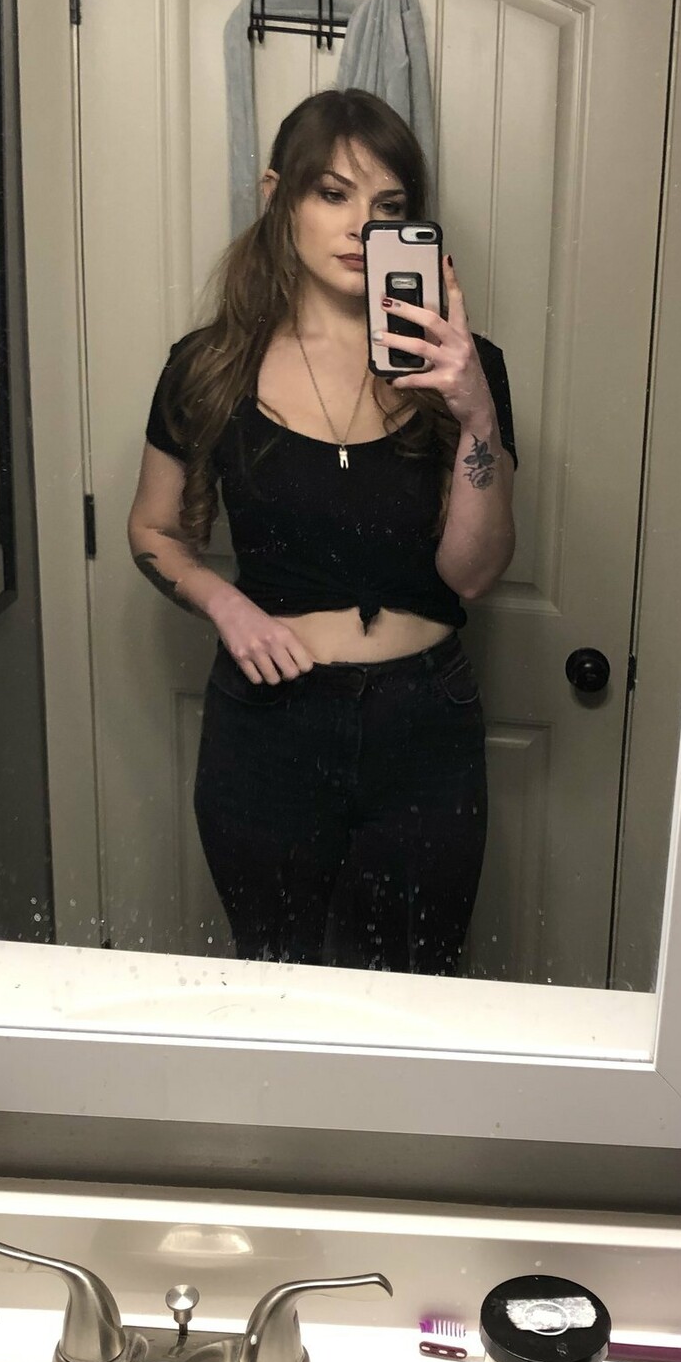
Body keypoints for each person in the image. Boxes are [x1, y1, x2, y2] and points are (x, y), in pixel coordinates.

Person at [128, 89, 516, 973]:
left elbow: (474, 574)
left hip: (425, 725)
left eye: (388, 206)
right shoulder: (208, 365)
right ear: (279, 196)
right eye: (332, 193)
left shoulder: (465, 369)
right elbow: (152, 529)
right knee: (278, 985)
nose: (360, 226)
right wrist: (228, 607)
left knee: (419, 991)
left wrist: (476, 413)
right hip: (269, 726)